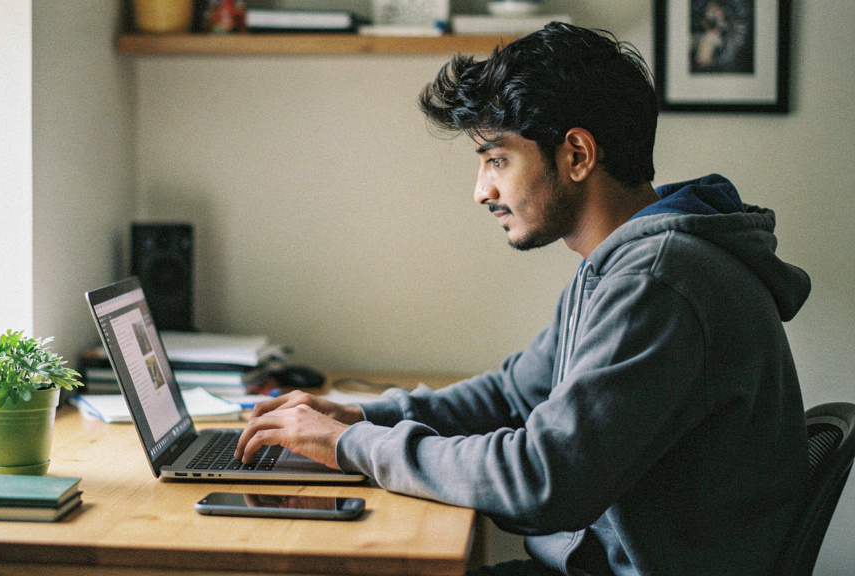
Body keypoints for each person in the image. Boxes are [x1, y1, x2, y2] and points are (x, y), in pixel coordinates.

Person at [235, 22, 810, 576]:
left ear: (578, 155)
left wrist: (352, 446)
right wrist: (363, 414)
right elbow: (516, 394)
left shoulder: (659, 281)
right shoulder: (621, 265)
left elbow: (541, 480)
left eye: (497, 159)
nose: (482, 190)